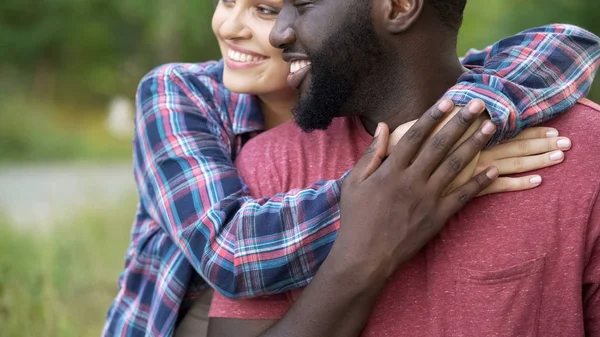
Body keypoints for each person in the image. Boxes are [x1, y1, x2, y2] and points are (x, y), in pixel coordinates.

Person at [103, 1, 600, 336]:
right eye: (227, 0)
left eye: (267, 8)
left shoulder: (544, 134)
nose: (237, 26)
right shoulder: (185, 96)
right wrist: (409, 175)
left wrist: (465, 123)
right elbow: (230, 252)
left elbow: (555, 47)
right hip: (171, 317)